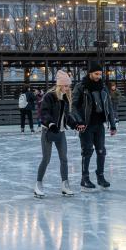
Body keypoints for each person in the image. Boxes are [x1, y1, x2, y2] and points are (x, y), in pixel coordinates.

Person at [71, 62, 117, 192]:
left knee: (101, 150)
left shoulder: (103, 87)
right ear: (90, 73)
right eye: (96, 74)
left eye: (100, 74)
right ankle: (84, 178)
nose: (98, 76)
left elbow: (108, 106)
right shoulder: (81, 87)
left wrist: (112, 125)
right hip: (86, 125)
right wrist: (79, 121)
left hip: (99, 124)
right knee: (87, 151)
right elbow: (73, 106)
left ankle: (100, 176)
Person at [34, 70, 76, 198]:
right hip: (48, 131)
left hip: (61, 132)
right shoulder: (49, 96)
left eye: (68, 86)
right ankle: (38, 184)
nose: (68, 88)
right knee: (46, 159)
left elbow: (67, 116)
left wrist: (75, 125)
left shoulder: (66, 97)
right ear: (59, 85)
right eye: (65, 86)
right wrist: (50, 124)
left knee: (64, 159)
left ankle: (65, 184)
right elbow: (44, 112)